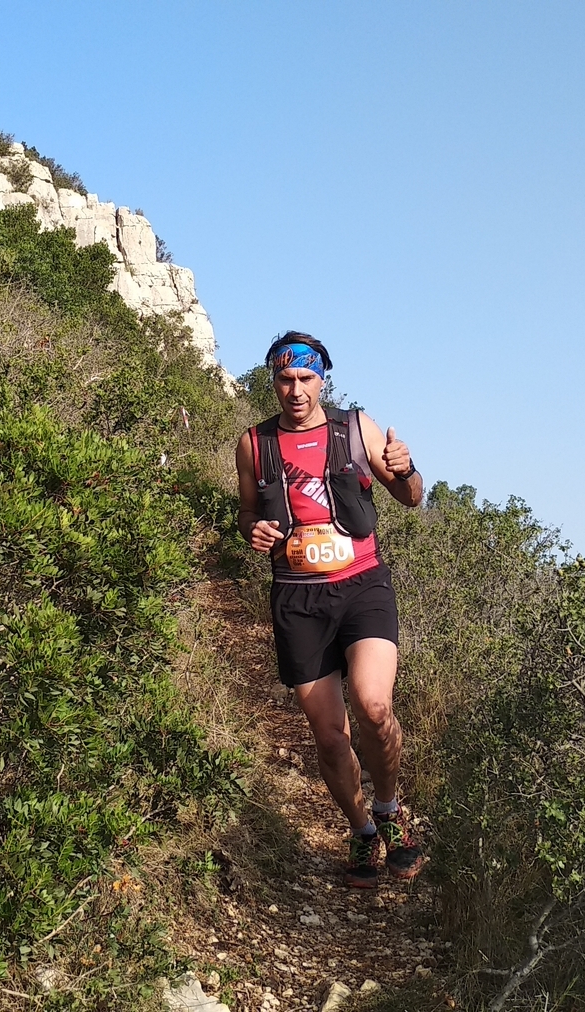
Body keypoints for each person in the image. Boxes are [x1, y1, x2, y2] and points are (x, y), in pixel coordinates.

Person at [235, 331, 425, 888]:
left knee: (374, 706)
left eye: (305, 378)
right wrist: (253, 530)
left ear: (323, 379)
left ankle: (389, 810)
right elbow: (246, 514)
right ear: (273, 381)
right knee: (329, 736)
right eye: (284, 379)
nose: (295, 390)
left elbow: (411, 497)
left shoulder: (355, 429)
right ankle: (362, 831)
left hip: (363, 585)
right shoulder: (253, 444)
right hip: (298, 598)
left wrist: (406, 467)